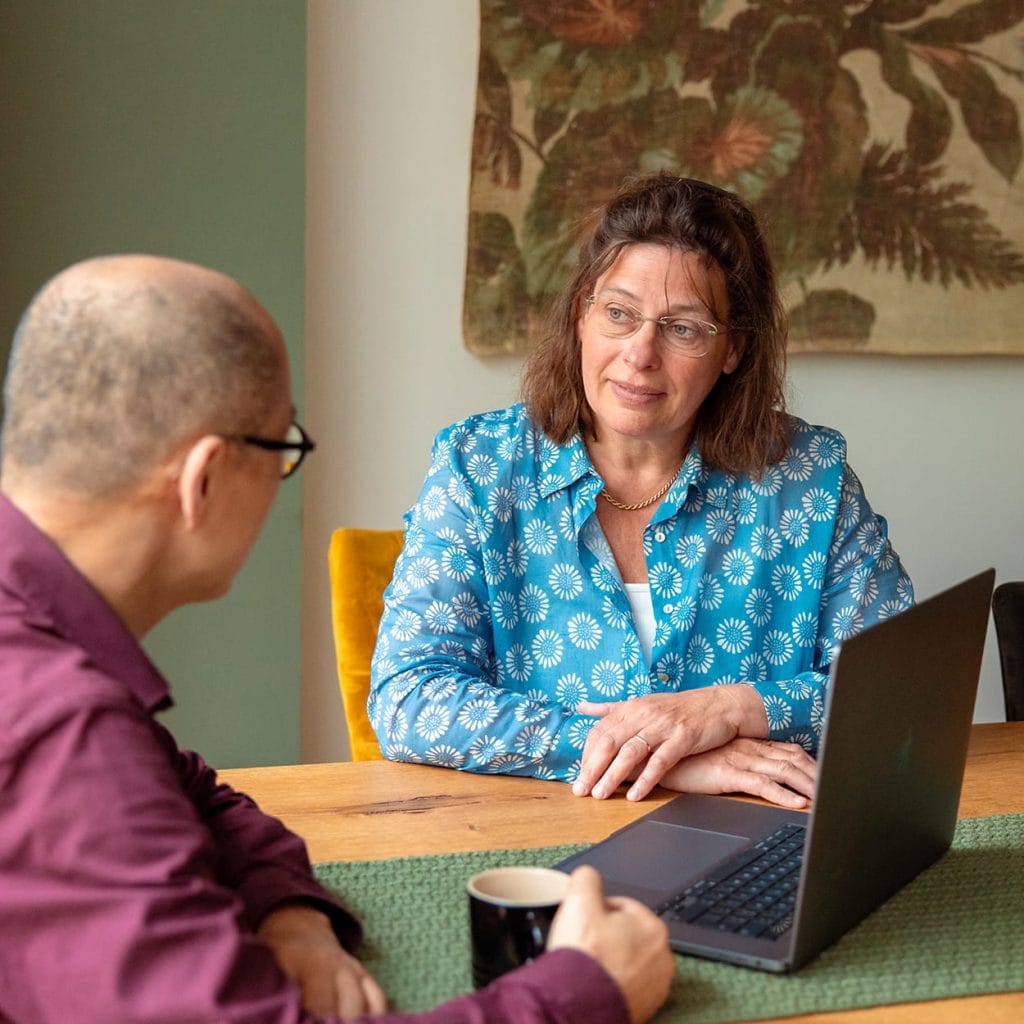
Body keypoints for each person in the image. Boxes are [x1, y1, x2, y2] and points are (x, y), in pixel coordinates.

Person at [0, 255, 673, 1024]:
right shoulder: (60, 737)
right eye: (283, 446)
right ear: (206, 479)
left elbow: (198, 799)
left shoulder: (51, 662)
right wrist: (588, 990)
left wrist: (293, 919)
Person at [370, 173, 914, 808]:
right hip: (531, 843)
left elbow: (900, 691)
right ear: (581, 315)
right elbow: (410, 698)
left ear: (733, 347)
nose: (640, 354)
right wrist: (660, 757)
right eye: (619, 314)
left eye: (683, 328)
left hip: (758, 845)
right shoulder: (477, 467)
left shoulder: (811, 480)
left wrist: (733, 708)